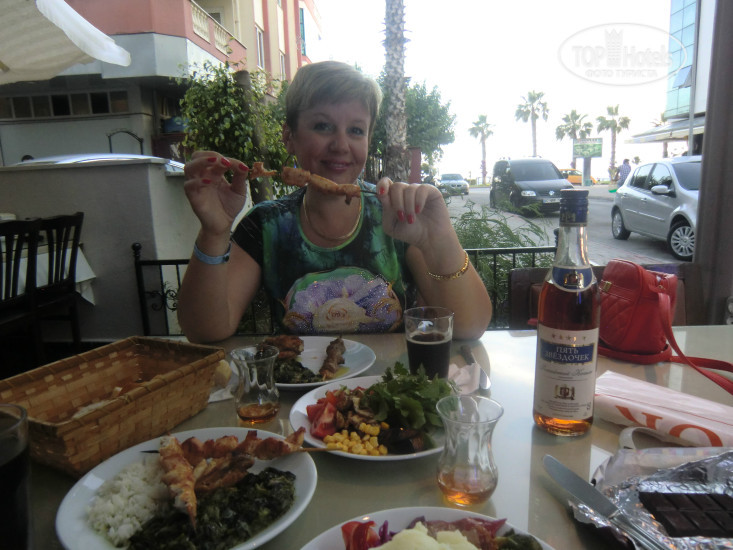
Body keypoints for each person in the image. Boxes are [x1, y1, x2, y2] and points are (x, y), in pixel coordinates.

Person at [177, 61, 492, 343]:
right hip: (301, 389)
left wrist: (440, 239)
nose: (341, 145)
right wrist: (214, 233)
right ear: (289, 137)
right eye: (323, 126)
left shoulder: (396, 217)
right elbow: (205, 331)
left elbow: (470, 326)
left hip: (388, 387)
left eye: (356, 130)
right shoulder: (266, 225)